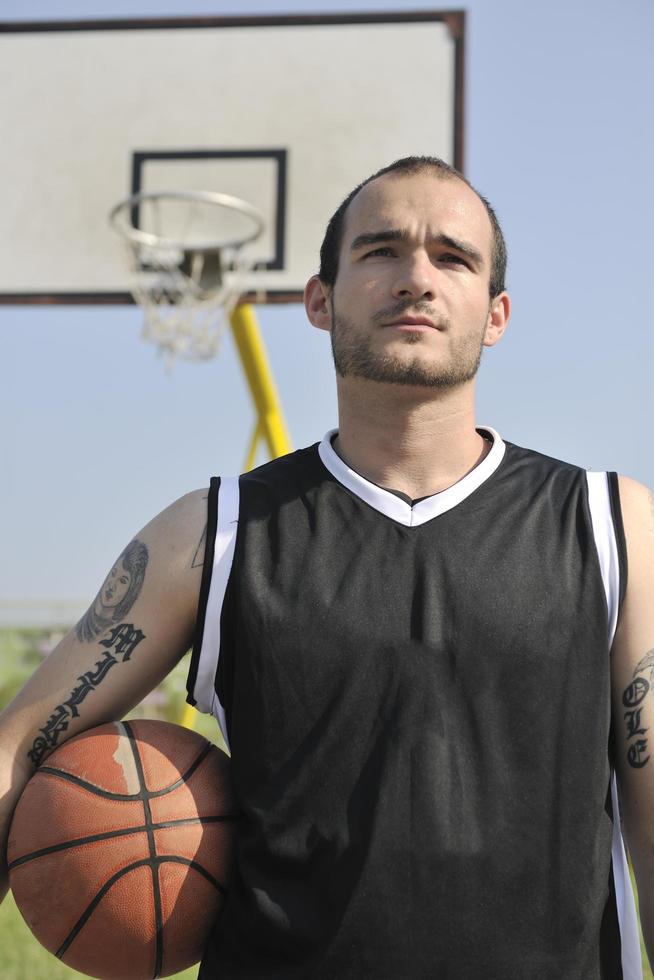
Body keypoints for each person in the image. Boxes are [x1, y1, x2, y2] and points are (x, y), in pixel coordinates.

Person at [1, 156, 652, 979]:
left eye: (452, 257)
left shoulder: (609, 523)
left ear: (496, 314)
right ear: (319, 300)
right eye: (380, 251)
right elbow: (17, 748)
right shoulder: (215, 535)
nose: (417, 277)